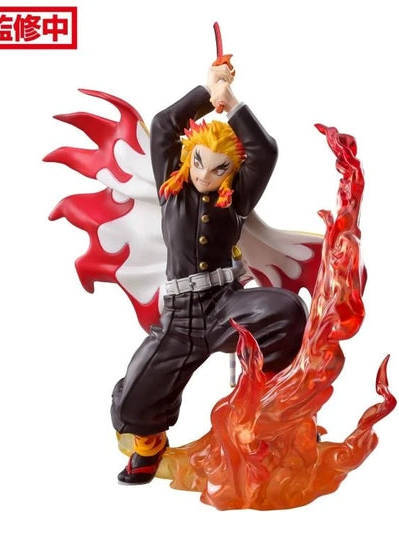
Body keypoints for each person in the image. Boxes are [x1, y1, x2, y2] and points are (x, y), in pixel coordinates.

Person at [111, 64, 307, 484]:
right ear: (188, 158)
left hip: (225, 306)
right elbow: (164, 125)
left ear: (232, 172)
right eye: (199, 163)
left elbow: (264, 151)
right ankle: (148, 447)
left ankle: (270, 408)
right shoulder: (171, 188)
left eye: (219, 169)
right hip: (179, 319)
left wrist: (231, 102)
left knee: (288, 311)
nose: (205, 175)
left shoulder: (236, 199)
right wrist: (207, 90)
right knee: (134, 400)